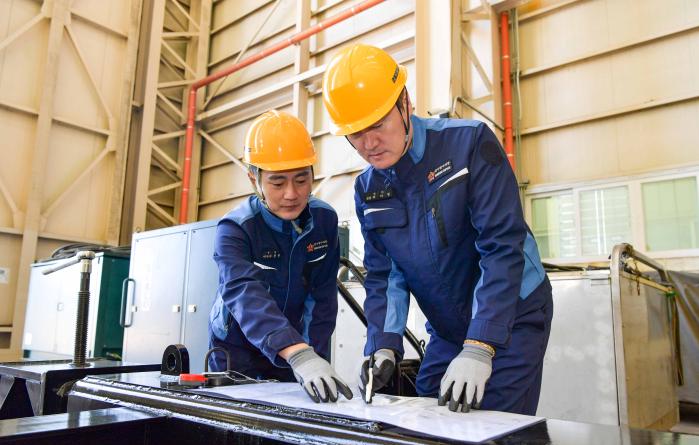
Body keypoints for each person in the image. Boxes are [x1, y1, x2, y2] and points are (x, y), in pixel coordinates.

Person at [321, 44, 553, 414]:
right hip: (447, 328)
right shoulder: (368, 189)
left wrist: (480, 345)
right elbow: (384, 275)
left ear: (405, 104)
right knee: (428, 419)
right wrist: (383, 344)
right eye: (355, 133)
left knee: (493, 431)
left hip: (512, 314)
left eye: (378, 124)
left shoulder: (469, 144)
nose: (368, 144)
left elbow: (502, 247)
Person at [208, 110, 352, 403]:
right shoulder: (235, 229)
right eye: (277, 183)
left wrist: (312, 356)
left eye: (301, 180)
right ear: (254, 179)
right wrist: (298, 353)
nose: (291, 194)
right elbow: (244, 294)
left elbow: (322, 297)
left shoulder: (324, 220)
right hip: (236, 351)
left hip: (296, 349)